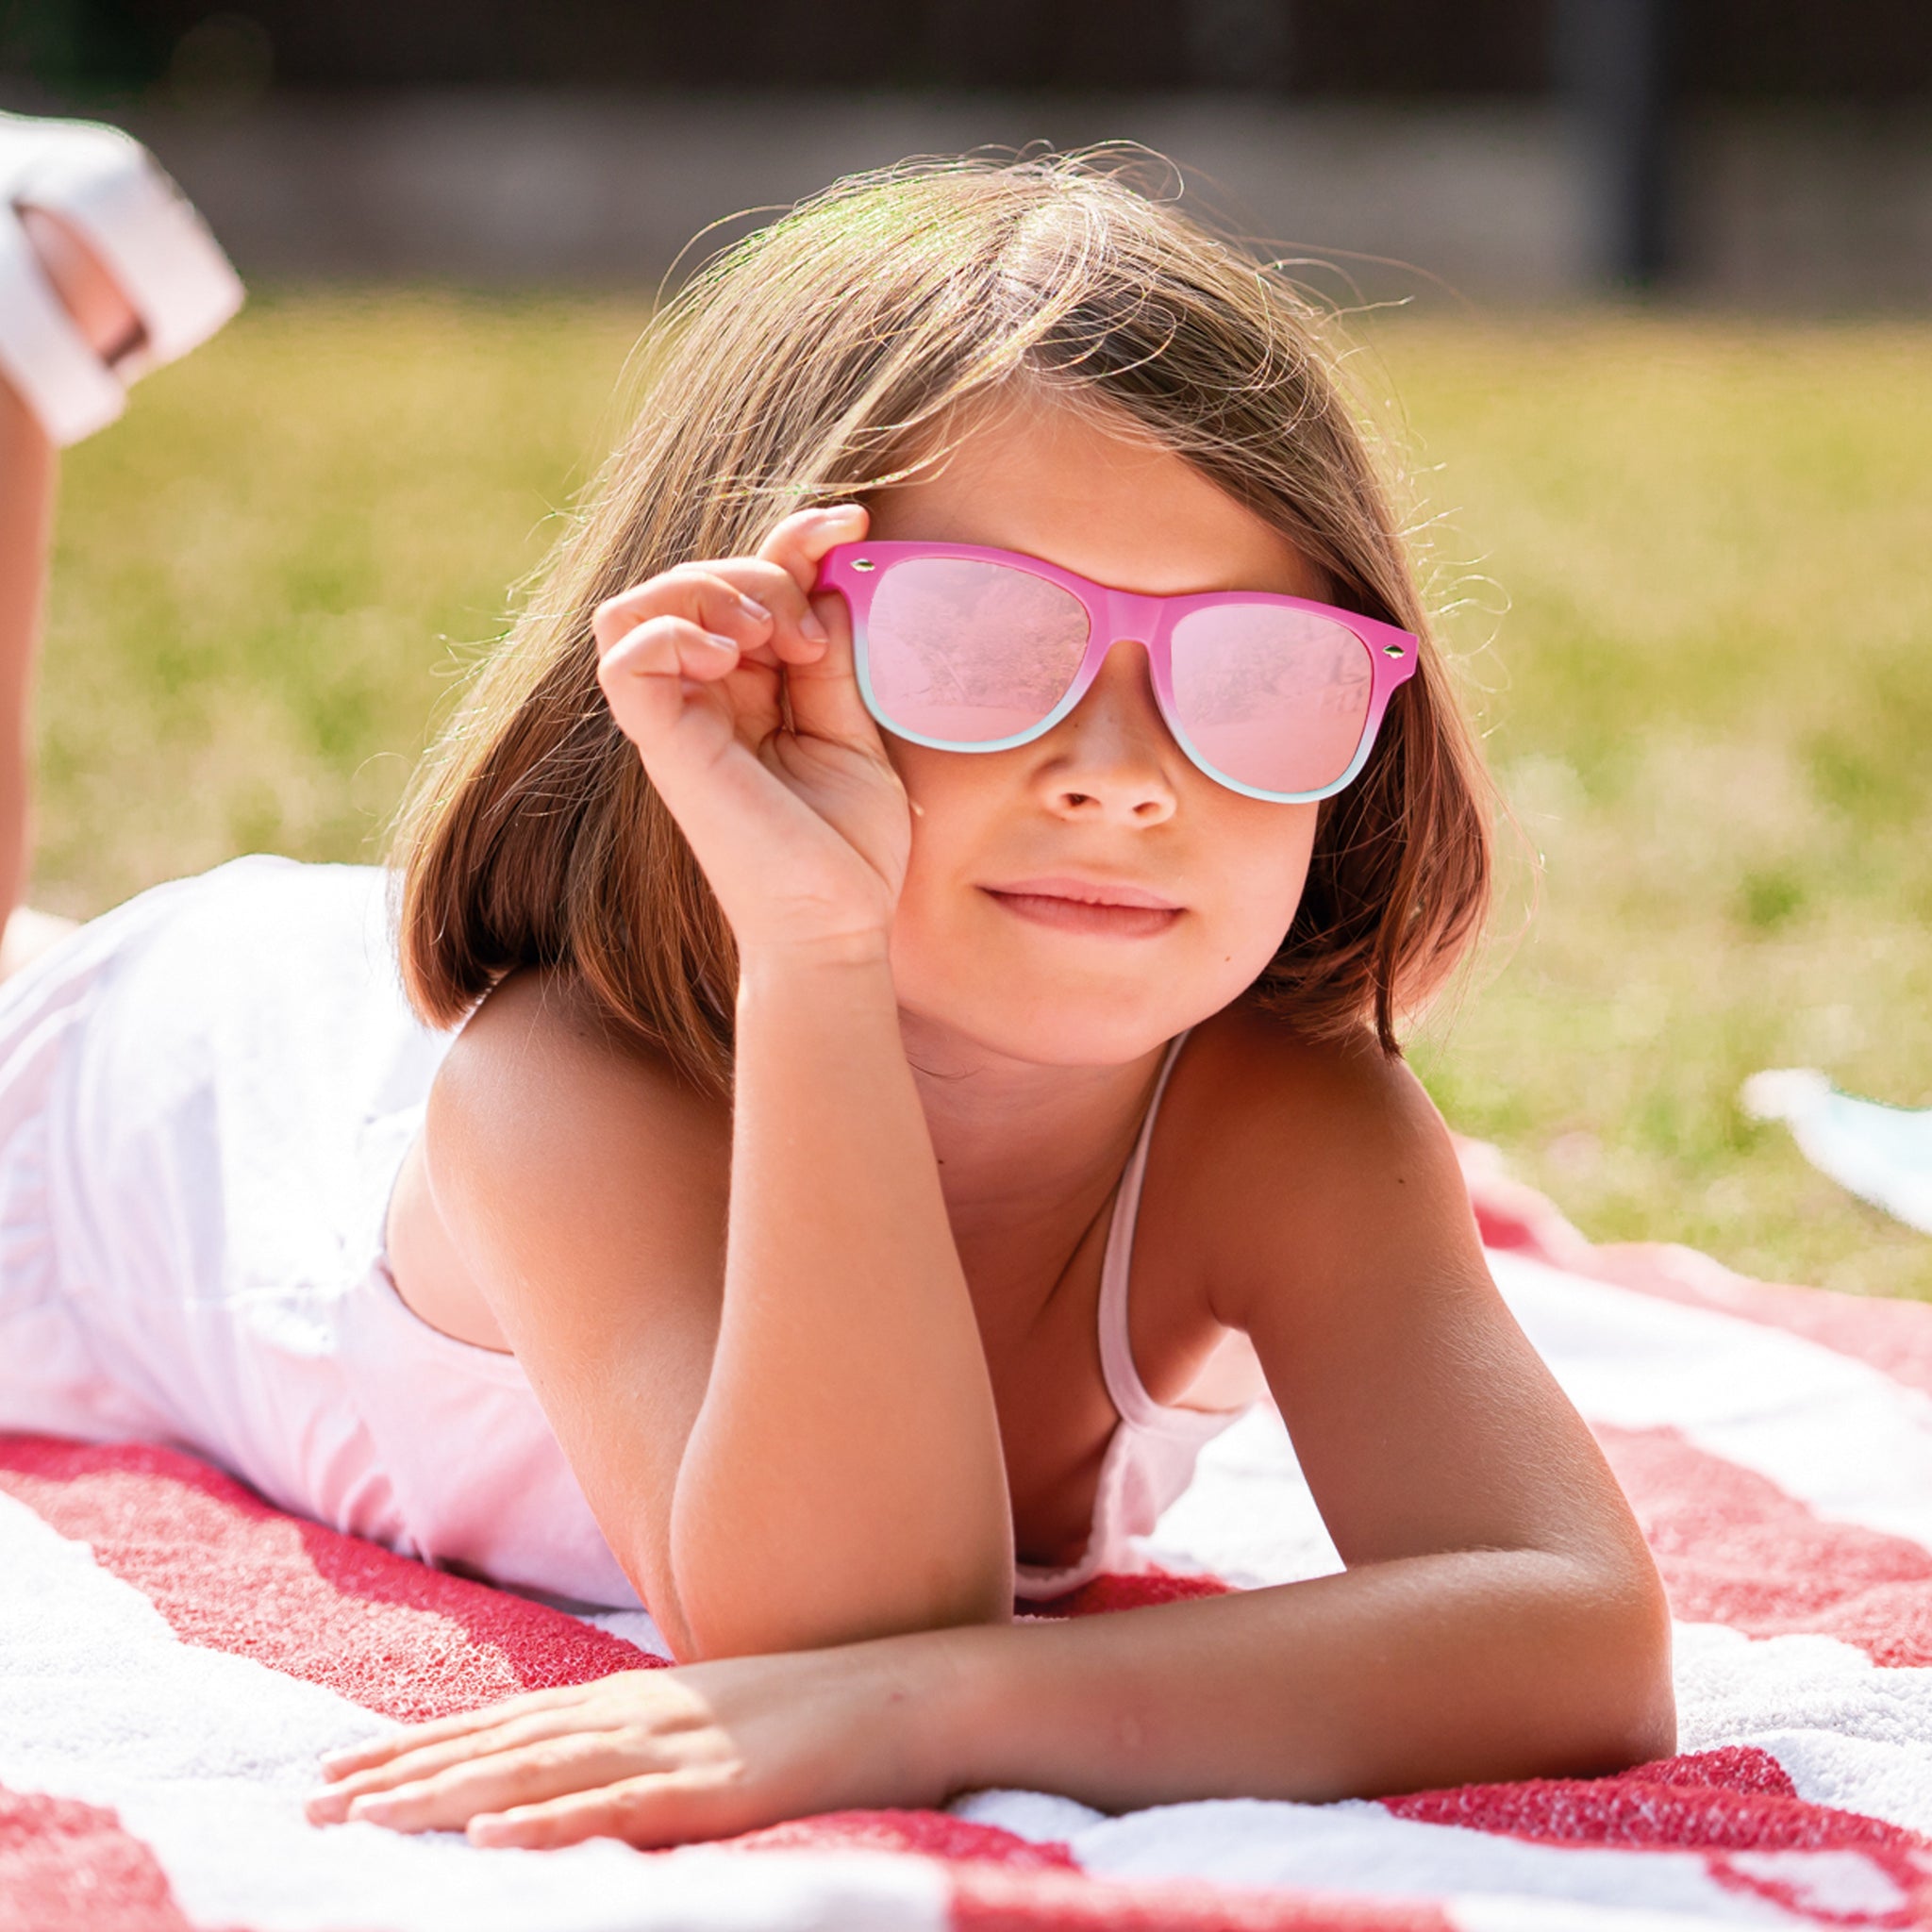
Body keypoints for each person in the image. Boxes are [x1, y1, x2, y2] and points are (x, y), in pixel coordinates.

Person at [0, 114, 1674, 1853]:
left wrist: (958, 1700)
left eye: (1255, 673)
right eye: (973, 641)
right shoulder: (564, 1080)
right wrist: (815, 948)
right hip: (170, 1104)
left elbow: (1581, 1634)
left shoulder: (1287, 1118)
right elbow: (835, 1632)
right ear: (749, 654)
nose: (1127, 775)